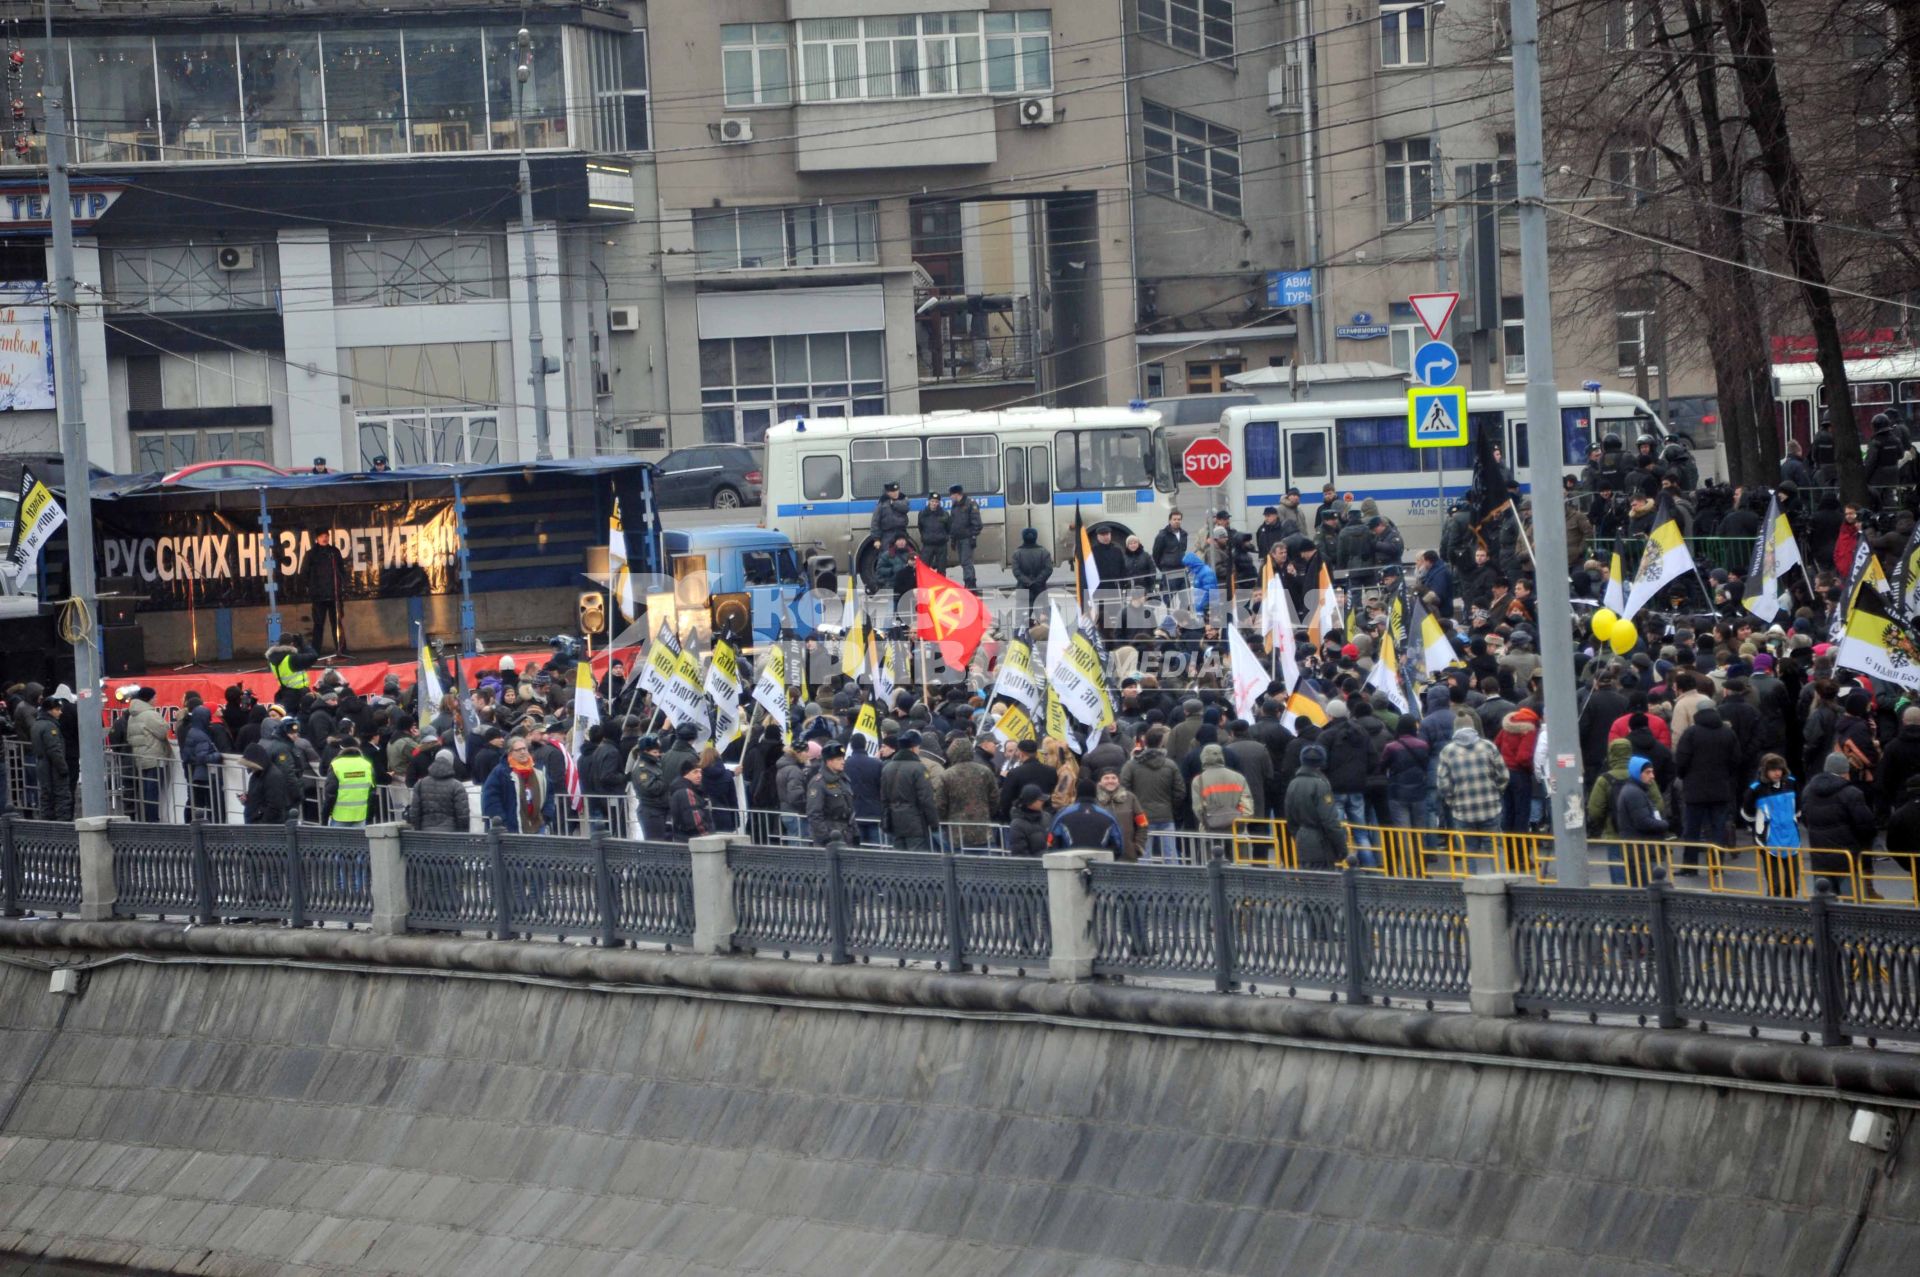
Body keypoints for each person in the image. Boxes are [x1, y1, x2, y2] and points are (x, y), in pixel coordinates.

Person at [1673, 704, 1741, 868]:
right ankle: (1716, 865)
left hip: (1695, 789)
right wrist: (1726, 776)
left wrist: (1684, 776)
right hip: (1720, 788)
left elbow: (1681, 760)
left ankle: (1690, 866)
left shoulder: (1691, 733)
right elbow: (1736, 759)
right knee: (1718, 828)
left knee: (1692, 829)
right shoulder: (1728, 732)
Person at [1801, 752, 1877, 897]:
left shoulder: (1808, 791)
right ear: (1846, 771)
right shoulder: (1852, 793)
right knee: (1852, 906)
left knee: (1823, 904)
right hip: (1847, 858)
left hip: (1819, 858)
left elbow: (1806, 820)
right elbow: (1866, 826)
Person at [1435, 725, 1508, 853]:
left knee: (1468, 851)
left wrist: (1451, 800)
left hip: (1462, 809)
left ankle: (1471, 873)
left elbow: (1443, 782)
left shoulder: (1448, 751)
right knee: (1495, 849)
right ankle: (1499, 873)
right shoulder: (1488, 746)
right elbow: (1503, 775)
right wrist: (1497, 792)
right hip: (1490, 806)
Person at [1741, 754, 1801, 898]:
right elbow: (1747, 813)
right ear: (1765, 770)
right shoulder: (1755, 789)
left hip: (1790, 835)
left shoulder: (1792, 783)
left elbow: (1799, 807)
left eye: (1779, 769)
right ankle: (1774, 907)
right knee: (1774, 883)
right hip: (1768, 838)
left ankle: (1791, 904)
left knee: (1793, 880)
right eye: (1773, 769)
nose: (1777, 773)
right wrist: (1760, 826)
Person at [1121, 726, 1182, 863]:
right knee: (1171, 854)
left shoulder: (1131, 765)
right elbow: (1179, 791)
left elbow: (1124, 787)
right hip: (1166, 815)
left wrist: (1133, 808)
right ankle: (1177, 883)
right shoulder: (1171, 765)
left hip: (1141, 816)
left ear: (1144, 741)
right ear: (1161, 743)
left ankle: (1146, 883)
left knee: (1143, 854)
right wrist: (1171, 806)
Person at [1284, 742, 1348, 869]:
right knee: (1323, 884)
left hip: (1303, 840)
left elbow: (1289, 817)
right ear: (1322, 762)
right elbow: (1330, 821)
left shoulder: (1293, 783)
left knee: (1308, 883)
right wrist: (1342, 847)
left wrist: (1299, 836)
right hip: (1321, 843)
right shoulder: (1321, 785)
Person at [1189, 743, 1252, 856]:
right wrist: (1239, 823)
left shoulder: (1198, 781)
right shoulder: (1239, 777)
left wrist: (1209, 822)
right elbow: (1247, 808)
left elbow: (1198, 809)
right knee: (1239, 868)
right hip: (1237, 832)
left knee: (1213, 868)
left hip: (1210, 832)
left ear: (1203, 758)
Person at [881, 730, 939, 850]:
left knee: (900, 861)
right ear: (913, 748)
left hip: (894, 820)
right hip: (915, 822)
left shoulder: (887, 768)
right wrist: (934, 823)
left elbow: (883, 797)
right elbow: (926, 799)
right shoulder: (918, 768)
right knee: (917, 861)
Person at [483, 737, 555, 833]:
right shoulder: (501, 772)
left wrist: (547, 815)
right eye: (518, 750)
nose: (523, 752)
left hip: (538, 825)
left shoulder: (539, 770)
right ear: (510, 753)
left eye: (524, 749)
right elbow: (491, 799)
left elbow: (550, 793)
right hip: (512, 828)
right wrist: (502, 821)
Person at [939, 736, 999, 851]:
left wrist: (944, 822)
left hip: (956, 834)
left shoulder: (946, 775)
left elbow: (940, 805)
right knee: (986, 866)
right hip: (983, 831)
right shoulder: (985, 771)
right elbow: (994, 799)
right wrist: (988, 814)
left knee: (959, 867)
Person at [124, 687, 171, 823]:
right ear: (149, 698)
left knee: (144, 792)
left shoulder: (132, 715)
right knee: (152, 793)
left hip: (140, 757)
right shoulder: (150, 715)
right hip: (153, 756)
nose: (156, 700)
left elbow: (129, 737)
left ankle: (145, 819)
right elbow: (162, 732)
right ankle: (153, 821)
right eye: (155, 697)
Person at [302, 529, 350, 656]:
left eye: (326, 536)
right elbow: (304, 574)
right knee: (318, 625)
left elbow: (341, 570)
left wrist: (341, 586)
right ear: (316, 538)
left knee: (337, 624)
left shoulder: (334, 552)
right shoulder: (311, 554)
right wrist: (311, 588)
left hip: (334, 595)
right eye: (322, 536)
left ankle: (341, 650)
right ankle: (315, 652)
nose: (325, 538)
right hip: (318, 596)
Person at [31, 689, 73, 821]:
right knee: (62, 798)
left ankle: (47, 829)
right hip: (53, 769)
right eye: (57, 709)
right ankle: (63, 831)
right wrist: (63, 768)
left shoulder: (37, 724)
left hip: (41, 766)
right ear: (50, 710)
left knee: (46, 798)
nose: (60, 712)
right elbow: (54, 749)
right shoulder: (50, 727)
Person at [1049, 778, 1123, 853]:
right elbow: (1118, 844)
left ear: (1077, 793)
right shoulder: (1107, 815)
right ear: (1095, 793)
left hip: (1067, 861)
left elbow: (1051, 842)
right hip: (1099, 862)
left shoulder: (1063, 814)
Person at [806, 742, 859, 845]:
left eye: (843, 759)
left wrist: (856, 833)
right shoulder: (818, 783)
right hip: (831, 834)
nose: (843, 762)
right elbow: (814, 814)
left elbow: (850, 810)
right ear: (829, 762)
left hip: (846, 834)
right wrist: (825, 838)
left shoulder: (843, 780)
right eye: (838, 759)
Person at [406, 749, 471, 832]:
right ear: (451, 762)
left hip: (425, 832)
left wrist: (418, 830)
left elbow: (414, 812)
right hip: (450, 832)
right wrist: (463, 834)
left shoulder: (420, 784)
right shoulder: (457, 786)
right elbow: (463, 815)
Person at [1094, 767, 1147, 861]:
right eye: (1106, 778)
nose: (1110, 781)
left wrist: (1138, 846)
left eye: (1113, 778)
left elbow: (1143, 823)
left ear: (1118, 780)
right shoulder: (1094, 800)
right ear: (1100, 781)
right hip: (1101, 856)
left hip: (1128, 855)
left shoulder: (1130, 798)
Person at [240, 742, 298, 825]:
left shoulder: (273, 776)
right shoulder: (258, 774)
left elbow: (274, 806)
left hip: (263, 828)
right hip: (256, 824)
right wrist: (247, 799)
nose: (249, 768)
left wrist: (261, 824)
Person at [323, 737, 375, 827]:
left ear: (341, 749)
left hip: (340, 816)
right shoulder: (367, 765)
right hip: (360, 816)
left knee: (338, 841)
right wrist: (369, 817)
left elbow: (330, 794)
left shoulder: (336, 765)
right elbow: (372, 793)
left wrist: (324, 817)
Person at [265, 633, 320, 712]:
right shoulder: (291, 658)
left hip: (285, 692)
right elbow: (313, 656)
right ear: (292, 644)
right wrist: (303, 645)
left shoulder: (273, 658)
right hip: (299, 694)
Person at [946, 484, 982, 588]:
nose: (950, 497)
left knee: (966, 562)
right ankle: (972, 584)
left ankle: (969, 585)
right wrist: (952, 539)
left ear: (957, 494)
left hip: (967, 538)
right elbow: (953, 523)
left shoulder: (970, 504)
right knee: (965, 562)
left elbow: (977, 523)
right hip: (958, 539)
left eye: (951, 495)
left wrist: (973, 536)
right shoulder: (955, 505)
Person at [1012, 527, 1053, 617]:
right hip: (1040, 589)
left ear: (1023, 537)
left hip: (1023, 590)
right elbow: (1048, 569)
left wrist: (1028, 583)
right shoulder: (1044, 552)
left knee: (1022, 621)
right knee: (1044, 621)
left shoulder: (1017, 553)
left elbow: (1016, 572)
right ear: (1036, 537)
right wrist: (1037, 582)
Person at [669, 758, 712, 840]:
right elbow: (695, 820)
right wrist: (707, 836)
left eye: (700, 772)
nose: (699, 775)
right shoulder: (686, 792)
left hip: (684, 838)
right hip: (694, 840)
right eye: (695, 772)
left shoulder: (684, 788)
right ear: (686, 774)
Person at [1007, 785, 1052, 856]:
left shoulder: (1046, 816)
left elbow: (1052, 837)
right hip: (1033, 865)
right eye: (1039, 799)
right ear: (1030, 802)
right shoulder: (1017, 825)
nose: (1043, 801)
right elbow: (1020, 855)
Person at [868, 481, 911, 554]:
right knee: (887, 557)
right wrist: (876, 539)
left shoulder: (903, 500)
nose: (895, 493)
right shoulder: (882, 503)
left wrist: (893, 503)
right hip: (887, 535)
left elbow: (905, 508)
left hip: (901, 535)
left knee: (902, 558)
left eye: (896, 491)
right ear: (888, 493)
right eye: (893, 492)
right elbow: (875, 522)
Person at [918, 491, 950, 570]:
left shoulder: (944, 514)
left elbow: (948, 528)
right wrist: (925, 537)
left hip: (941, 545)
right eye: (932, 501)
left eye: (936, 502)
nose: (934, 503)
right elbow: (920, 528)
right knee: (924, 568)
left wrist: (944, 537)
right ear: (928, 501)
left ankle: (941, 583)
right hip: (928, 545)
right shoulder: (922, 514)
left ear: (939, 503)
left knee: (941, 569)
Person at [1152, 510, 1190, 575]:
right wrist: (1162, 568)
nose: (1177, 521)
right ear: (1169, 521)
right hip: (1168, 570)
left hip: (1182, 568)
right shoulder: (1162, 535)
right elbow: (1156, 554)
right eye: (1174, 519)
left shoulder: (1184, 534)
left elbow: (1183, 550)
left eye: (1179, 519)